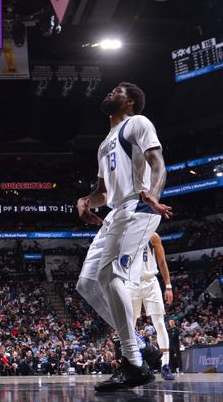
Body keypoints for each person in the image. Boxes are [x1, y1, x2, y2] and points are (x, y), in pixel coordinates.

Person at [74, 82, 172, 392]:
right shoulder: (104, 143)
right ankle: (142, 346)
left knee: (107, 273)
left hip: (139, 205)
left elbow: (158, 164)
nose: (110, 92)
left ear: (129, 102)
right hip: (116, 211)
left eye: (117, 90)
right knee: (87, 283)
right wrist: (88, 201)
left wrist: (154, 195)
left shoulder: (138, 123)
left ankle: (133, 363)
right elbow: (104, 193)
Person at [125, 232, 175, 380]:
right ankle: (131, 366)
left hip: (150, 281)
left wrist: (168, 286)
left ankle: (165, 365)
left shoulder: (153, 236)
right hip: (131, 283)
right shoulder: (124, 234)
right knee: (129, 325)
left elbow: (162, 261)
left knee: (159, 323)